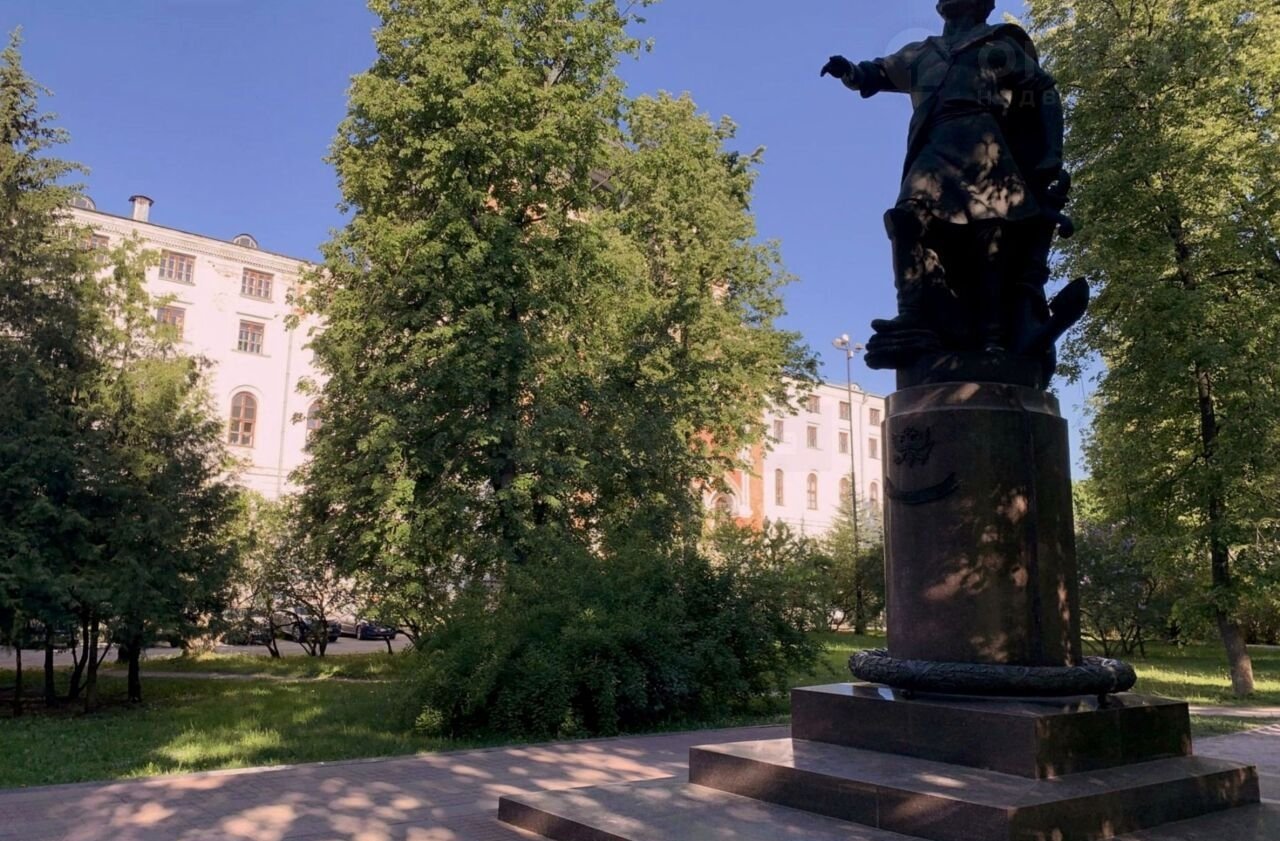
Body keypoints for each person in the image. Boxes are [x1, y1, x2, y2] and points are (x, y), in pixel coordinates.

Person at [821, 0, 1066, 364]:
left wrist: (1051, 153)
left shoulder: (996, 45)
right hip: (934, 146)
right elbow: (875, 73)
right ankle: (912, 314)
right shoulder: (921, 51)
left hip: (984, 146)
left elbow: (1044, 90)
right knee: (906, 220)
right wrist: (850, 72)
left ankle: (994, 337)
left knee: (990, 241)